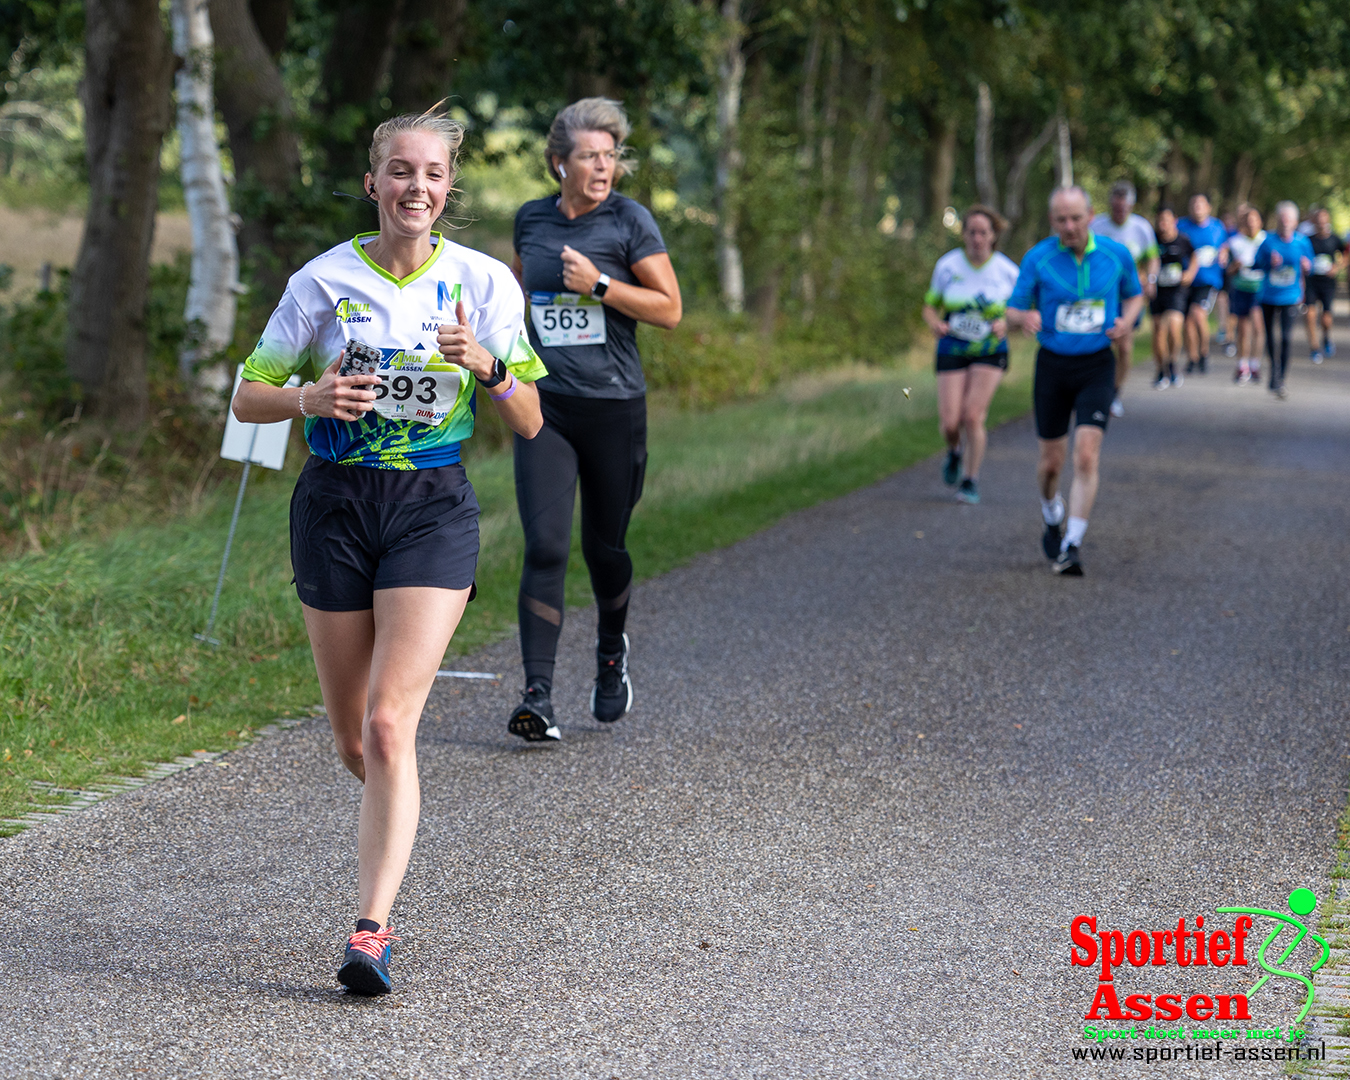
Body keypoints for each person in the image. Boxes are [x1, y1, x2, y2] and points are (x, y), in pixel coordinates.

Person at [231, 109, 547, 994]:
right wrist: (311, 397)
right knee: (351, 741)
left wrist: (487, 366)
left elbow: (529, 419)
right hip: (334, 506)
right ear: (374, 183)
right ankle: (395, 809)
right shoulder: (324, 281)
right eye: (400, 172)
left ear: (450, 189)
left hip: (430, 508)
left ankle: (371, 931)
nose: (417, 188)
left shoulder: (484, 284)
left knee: (387, 722)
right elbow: (247, 396)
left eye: (434, 174)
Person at [507, 98, 682, 742]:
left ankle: (611, 653)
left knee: (603, 549)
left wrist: (601, 286)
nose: (603, 166)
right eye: (590, 156)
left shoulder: (629, 221)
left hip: (614, 409)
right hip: (545, 407)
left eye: (611, 155)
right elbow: (518, 295)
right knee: (546, 545)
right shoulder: (531, 220)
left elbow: (668, 309)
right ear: (559, 164)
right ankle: (538, 697)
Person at [1006, 186, 1143, 577]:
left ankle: (1073, 544)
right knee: (1051, 464)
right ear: (1053, 222)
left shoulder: (1116, 255)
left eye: (1076, 218)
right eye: (1061, 220)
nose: (1069, 226)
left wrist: (1128, 321)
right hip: (1052, 365)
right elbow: (1014, 307)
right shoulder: (1038, 257)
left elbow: (1134, 296)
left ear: (1091, 215)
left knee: (1086, 454)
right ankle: (1052, 513)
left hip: (1097, 364)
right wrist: (1024, 318)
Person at [921, 204, 1020, 504]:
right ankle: (954, 451)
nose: (977, 238)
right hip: (952, 345)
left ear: (993, 236)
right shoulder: (948, 266)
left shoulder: (1006, 271)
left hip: (990, 349)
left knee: (973, 416)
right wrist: (934, 323)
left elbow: (1023, 312)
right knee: (950, 422)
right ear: (963, 234)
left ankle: (970, 480)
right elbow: (929, 305)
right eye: (972, 232)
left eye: (983, 233)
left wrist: (1007, 323)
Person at [1090, 181, 1159, 418]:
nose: (1119, 211)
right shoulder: (1096, 225)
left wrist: (1150, 279)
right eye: (1115, 207)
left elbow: (1152, 258)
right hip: (1099, 296)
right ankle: (1096, 390)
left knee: (1125, 347)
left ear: (1131, 206)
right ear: (1110, 204)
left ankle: (1114, 395)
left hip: (1128, 296)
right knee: (1100, 345)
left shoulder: (1141, 228)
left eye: (1124, 207)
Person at [1254, 201, 1314, 399]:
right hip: (1269, 295)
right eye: (1282, 219)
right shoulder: (1268, 241)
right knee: (1270, 335)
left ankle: (1281, 378)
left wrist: (1307, 266)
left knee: (1287, 337)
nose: (1285, 222)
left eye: (1289, 219)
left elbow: (1311, 264)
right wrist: (1267, 263)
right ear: (1278, 221)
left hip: (1291, 295)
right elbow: (1256, 264)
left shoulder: (1302, 242)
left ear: (1295, 222)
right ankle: (1274, 369)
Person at [1175, 194, 1230, 373]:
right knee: (1187, 322)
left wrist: (1224, 253)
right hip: (1185, 280)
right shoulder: (1181, 226)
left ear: (1208, 208)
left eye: (1201, 204)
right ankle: (1193, 357)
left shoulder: (1217, 227)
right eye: (1194, 204)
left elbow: (1225, 246)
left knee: (1197, 314)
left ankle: (1204, 352)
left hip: (1208, 280)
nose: (1197, 207)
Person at [1148, 208, 1197, 389]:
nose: (1163, 225)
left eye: (1167, 221)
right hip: (1157, 291)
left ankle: (1172, 363)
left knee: (1173, 328)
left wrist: (1190, 273)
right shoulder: (1152, 240)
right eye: (1160, 221)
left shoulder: (1182, 239)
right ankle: (1161, 369)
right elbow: (1143, 259)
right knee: (1159, 330)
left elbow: (1194, 257)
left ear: (1174, 220)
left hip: (1177, 291)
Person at [1223, 205, 1267, 384]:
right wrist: (1236, 266)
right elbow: (1227, 270)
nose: (1251, 223)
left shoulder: (1267, 240)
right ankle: (1242, 366)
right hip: (1241, 289)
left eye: (1254, 220)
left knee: (1258, 327)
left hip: (1261, 289)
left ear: (1260, 222)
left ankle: (1255, 364)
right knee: (1243, 329)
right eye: (1247, 221)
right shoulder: (1235, 242)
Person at [1303, 208, 1345, 362]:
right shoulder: (1307, 240)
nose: (1321, 223)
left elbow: (1346, 254)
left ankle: (1326, 337)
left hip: (1327, 283)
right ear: (1314, 221)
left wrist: (1337, 267)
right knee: (1310, 314)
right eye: (1318, 219)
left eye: (1323, 219)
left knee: (1326, 318)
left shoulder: (1334, 239)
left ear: (1328, 221)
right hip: (1311, 282)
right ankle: (1314, 348)